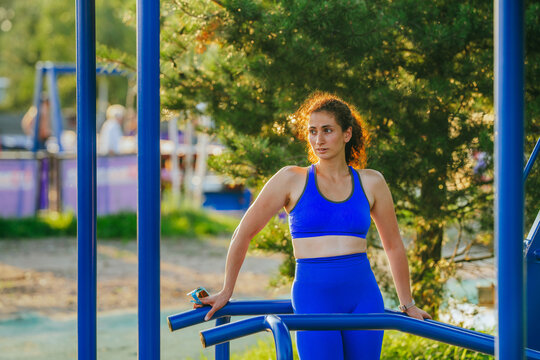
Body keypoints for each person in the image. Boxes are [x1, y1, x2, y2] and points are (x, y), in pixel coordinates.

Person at [195, 92, 432, 359]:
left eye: (327, 130)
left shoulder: (371, 182)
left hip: (363, 298)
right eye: (312, 131)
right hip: (314, 297)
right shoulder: (291, 179)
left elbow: (394, 246)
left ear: (347, 134)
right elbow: (243, 233)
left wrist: (407, 304)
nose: (318, 140)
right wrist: (227, 290)